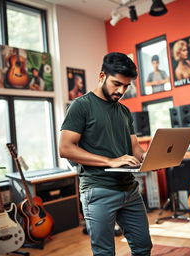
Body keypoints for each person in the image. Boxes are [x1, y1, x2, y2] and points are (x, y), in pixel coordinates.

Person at [59, 52, 152, 256]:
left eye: (126, 86)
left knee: (143, 247)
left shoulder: (124, 111)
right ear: (102, 76)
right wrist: (110, 161)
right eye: (116, 84)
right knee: (104, 253)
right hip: (98, 190)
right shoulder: (81, 106)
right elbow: (65, 148)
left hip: (129, 189)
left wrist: (149, 158)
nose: (121, 91)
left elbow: (134, 146)